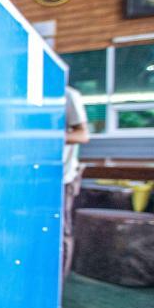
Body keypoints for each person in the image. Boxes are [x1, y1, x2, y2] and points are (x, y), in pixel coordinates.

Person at [62, 85, 90, 279]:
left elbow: (83, 134)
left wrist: (44, 137)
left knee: (62, 230)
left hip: (63, 176)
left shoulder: (68, 94)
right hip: (32, 175)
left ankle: (59, 282)